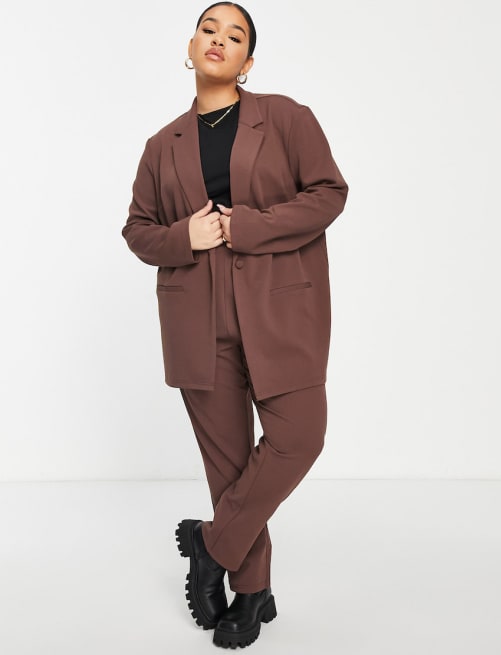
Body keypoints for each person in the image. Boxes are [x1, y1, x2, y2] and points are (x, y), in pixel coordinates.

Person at [122, 2, 348, 649]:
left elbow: (328, 193)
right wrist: (183, 237)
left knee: (298, 438)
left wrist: (245, 225)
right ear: (191, 47)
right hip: (197, 316)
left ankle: (210, 544)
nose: (219, 38)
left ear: (248, 61)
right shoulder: (160, 146)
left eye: (235, 34)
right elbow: (137, 230)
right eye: (209, 29)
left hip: (279, 309)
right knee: (228, 469)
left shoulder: (286, 117)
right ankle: (252, 593)